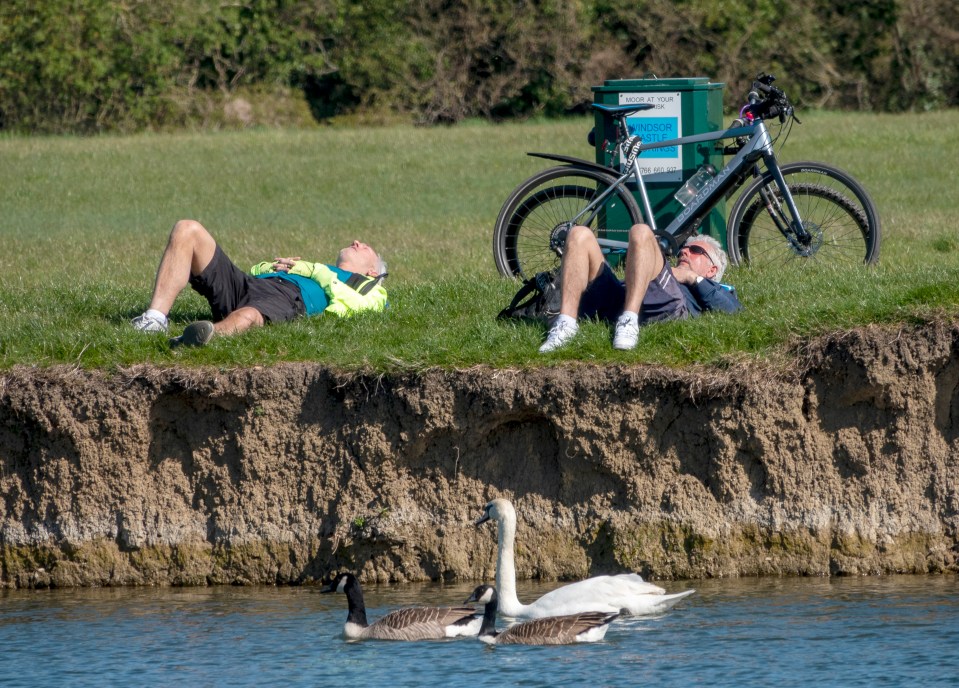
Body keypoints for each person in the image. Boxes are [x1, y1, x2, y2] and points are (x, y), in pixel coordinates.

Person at [131, 219, 388, 347]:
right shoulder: (312, 267)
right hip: (248, 284)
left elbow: (372, 306)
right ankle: (154, 319)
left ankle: (199, 338)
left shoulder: (364, 285)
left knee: (250, 315)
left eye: (365, 247)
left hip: (287, 297)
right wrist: (272, 267)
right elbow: (256, 270)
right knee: (187, 228)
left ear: (370, 272)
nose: (357, 242)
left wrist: (315, 270)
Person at [539, 222, 742, 353]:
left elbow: (733, 312)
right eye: (684, 248)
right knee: (578, 234)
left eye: (696, 250)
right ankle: (565, 325)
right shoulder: (660, 267)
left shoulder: (714, 287)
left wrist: (691, 277)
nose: (685, 252)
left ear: (711, 269)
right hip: (620, 298)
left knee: (641, 231)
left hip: (666, 308)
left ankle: (629, 321)